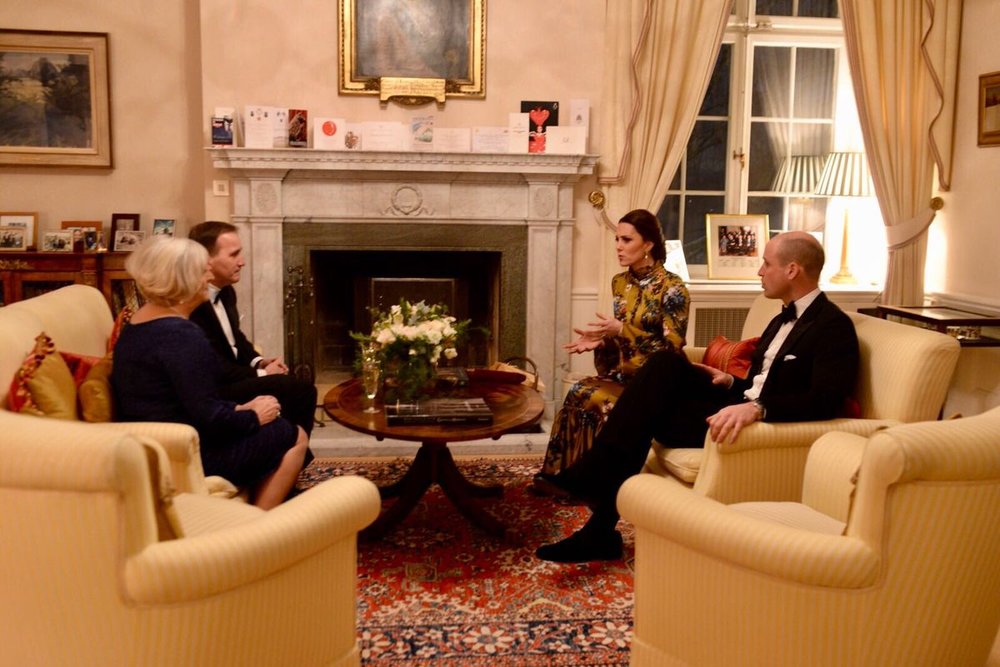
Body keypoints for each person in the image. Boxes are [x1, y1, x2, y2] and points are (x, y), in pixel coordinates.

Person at [533, 231, 860, 563]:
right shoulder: (780, 318)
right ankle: (597, 512)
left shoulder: (833, 327)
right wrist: (729, 380)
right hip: (737, 403)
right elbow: (758, 383)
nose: (760, 271)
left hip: (759, 423)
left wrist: (758, 409)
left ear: (792, 270)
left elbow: (825, 400)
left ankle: (597, 516)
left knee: (645, 414)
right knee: (665, 363)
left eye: (766, 264)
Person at [111, 237, 310, 509]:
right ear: (184, 279)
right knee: (294, 434)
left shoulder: (138, 323)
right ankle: (257, 526)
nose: (208, 276)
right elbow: (210, 418)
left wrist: (242, 408)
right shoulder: (181, 335)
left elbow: (189, 400)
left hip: (160, 444)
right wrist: (254, 416)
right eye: (203, 270)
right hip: (188, 454)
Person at [535, 209, 689, 487]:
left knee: (599, 398)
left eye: (626, 240)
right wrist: (603, 340)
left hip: (653, 384)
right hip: (622, 373)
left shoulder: (673, 288)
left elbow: (672, 350)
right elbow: (621, 333)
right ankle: (561, 477)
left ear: (648, 244)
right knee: (578, 391)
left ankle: (595, 484)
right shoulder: (620, 282)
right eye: (617, 239)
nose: (618, 246)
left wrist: (621, 330)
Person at [188, 221, 318, 454]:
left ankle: (285, 454)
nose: (242, 262)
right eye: (234, 254)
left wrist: (260, 362)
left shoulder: (226, 291)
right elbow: (213, 364)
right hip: (216, 387)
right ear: (206, 259)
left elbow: (236, 339)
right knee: (300, 390)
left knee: (295, 388)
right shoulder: (192, 303)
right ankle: (294, 455)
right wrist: (263, 374)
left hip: (235, 376)